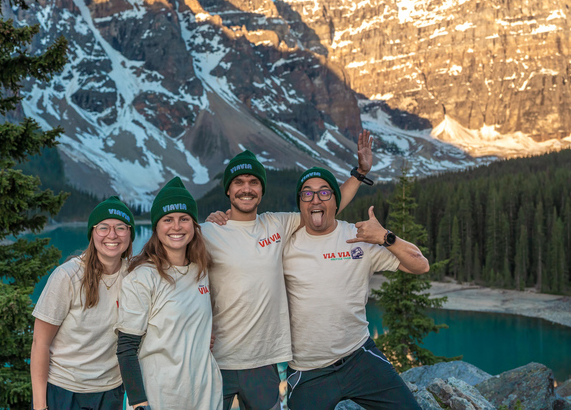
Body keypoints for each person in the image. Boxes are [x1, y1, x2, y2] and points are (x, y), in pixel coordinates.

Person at [203, 131, 374, 410]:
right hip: (216, 361)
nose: (246, 188)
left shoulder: (277, 225)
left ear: (262, 190)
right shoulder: (209, 231)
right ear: (228, 190)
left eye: (254, 182)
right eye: (238, 182)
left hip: (264, 362)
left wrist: (359, 173)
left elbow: (325, 206)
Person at [283, 167, 429, 410]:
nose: (316, 199)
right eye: (307, 194)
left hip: (359, 358)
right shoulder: (285, 243)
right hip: (308, 372)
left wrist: (385, 236)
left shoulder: (359, 236)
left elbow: (420, 265)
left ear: (336, 200)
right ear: (300, 202)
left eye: (324, 193)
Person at [115, 177, 222, 410]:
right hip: (159, 398)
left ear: (194, 225)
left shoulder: (200, 270)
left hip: (205, 396)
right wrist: (138, 403)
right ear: (156, 227)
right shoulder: (143, 276)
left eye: (184, 219)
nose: (176, 226)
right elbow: (126, 349)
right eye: (168, 219)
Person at [30, 196, 135, 410]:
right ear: (92, 233)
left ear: (130, 233)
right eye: (103, 227)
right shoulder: (68, 276)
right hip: (64, 391)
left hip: (111, 391)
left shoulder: (136, 275)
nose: (112, 235)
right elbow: (40, 343)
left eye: (120, 227)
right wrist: (40, 405)